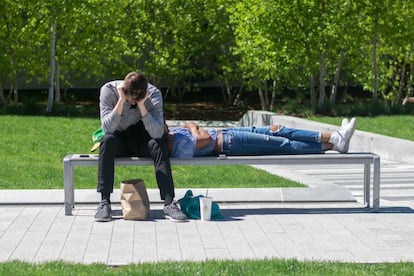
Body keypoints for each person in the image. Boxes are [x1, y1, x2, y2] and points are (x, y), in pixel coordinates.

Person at [95, 71, 187, 222]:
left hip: (142, 138)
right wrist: (121, 101)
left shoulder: (153, 95)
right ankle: (104, 202)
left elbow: (157, 132)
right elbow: (107, 129)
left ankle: (169, 202)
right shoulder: (109, 91)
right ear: (124, 89)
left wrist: (142, 106)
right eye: (131, 97)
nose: (133, 102)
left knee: (158, 144)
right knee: (107, 140)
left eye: (137, 98)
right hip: (119, 139)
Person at [164, 118, 356, 158]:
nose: (164, 121)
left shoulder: (172, 134)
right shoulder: (173, 145)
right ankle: (333, 144)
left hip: (230, 134)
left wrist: (192, 129)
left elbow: (200, 136)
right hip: (232, 143)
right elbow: (204, 139)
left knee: (277, 129)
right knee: (284, 144)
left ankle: (333, 136)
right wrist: (192, 126)